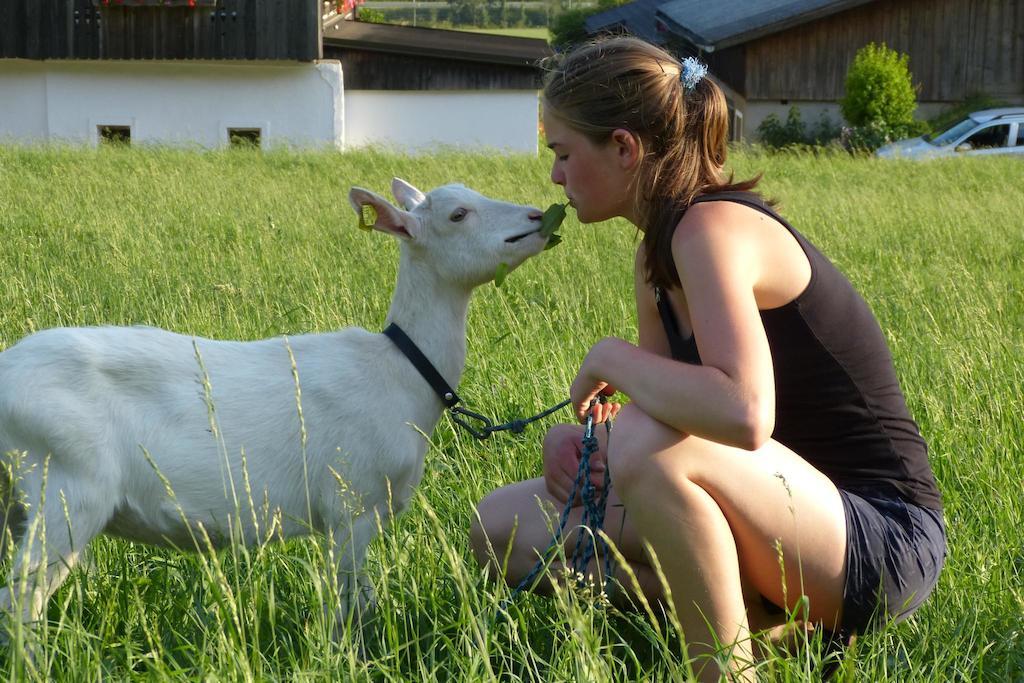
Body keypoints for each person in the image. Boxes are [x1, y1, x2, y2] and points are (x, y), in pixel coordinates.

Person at [469, 37, 946, 681]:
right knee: (498, 528)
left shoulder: (710, 228)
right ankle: (774, 628)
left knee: (640, 444)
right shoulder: (654, 257)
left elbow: (746, 412)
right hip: (778, 520)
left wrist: (611, 358)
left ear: (624, 147)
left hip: (877, 540)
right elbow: (667, 426)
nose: (554, 176)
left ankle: (727, 670)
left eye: (562, 152)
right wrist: (588, 445)